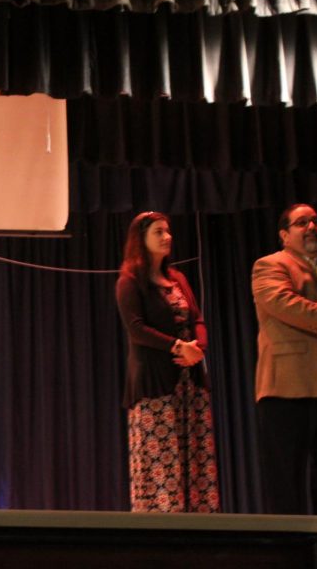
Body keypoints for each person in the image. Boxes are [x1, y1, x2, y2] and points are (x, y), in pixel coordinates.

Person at [115, 211, 219, 513]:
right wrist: (177, 346)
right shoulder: (130, 281)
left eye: (168, 231)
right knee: (162, 459)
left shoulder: (179, 279)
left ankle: (200, 523)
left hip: (189, 383)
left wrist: (197, 347)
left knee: (194, 456)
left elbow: (197, 318)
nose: (167, 237)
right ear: (141, 239)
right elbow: (136, 329)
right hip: (154, 386)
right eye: (158, 232)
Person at [251, 203, 317, 515]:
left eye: (316, 221)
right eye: (302, 222)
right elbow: (285, 304)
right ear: (284, 235)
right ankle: (286, 552)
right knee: (285, 482)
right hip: (287, 386)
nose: (312, 227)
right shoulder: (269, 266)